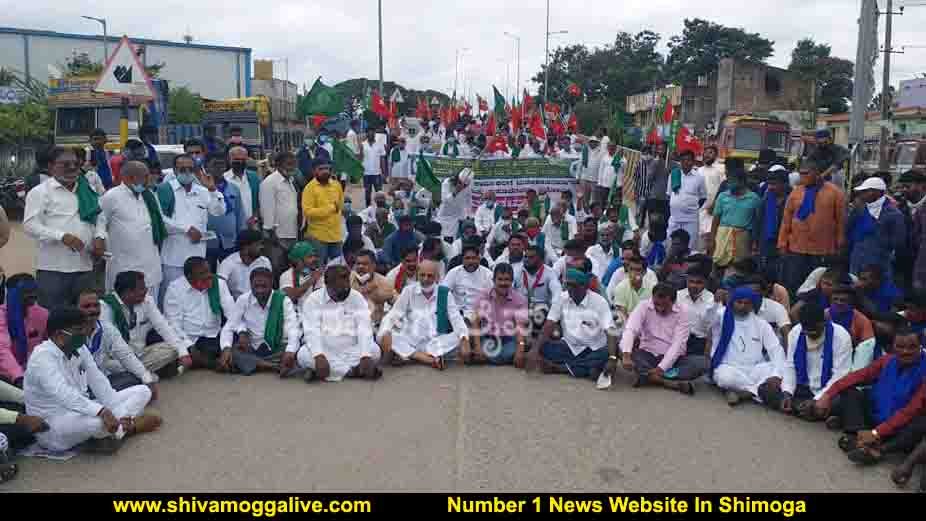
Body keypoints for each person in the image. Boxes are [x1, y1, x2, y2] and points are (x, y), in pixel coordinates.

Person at [24, 307, 160, 453]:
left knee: (142, 391)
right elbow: (64, 395)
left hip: (82, 409)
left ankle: (119, 430)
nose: (84, 333)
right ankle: (128, 429)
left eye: (84, 328)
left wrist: (122, 414)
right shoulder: (42, 357)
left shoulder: (79, 348)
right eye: (79, 329)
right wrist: (102, 411)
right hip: (54, 424)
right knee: (98, 423)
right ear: (59, 335)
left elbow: (99, 382)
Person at [810, 327, 926, 467]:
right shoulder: (887, 360)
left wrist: (876, 432)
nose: (905, 351)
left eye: (912, 347)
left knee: (921, 423)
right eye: (900, 346)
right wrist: (827, 395)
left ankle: (879, 449)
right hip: (874, 418)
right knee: (850, 391)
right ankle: (859, 436)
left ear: (921, 346)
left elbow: (911, 410)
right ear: (893, 347)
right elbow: (858, 376)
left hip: (900, 427)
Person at [23, 146, 105, 309]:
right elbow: (30, 225)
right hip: (53, 269)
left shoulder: (87, 189)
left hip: (84, 266)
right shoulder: (40, 192)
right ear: (51, 167)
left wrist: (100, 237)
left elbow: (99, 217)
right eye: (65, 164)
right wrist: (62, 236)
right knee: (54, 319)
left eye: (75, 163)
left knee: (83, 318)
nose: (72, 167)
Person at [286, 265, 382, 382]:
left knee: (375, 351)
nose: (345, 291)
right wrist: (318, 355)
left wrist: (365, 355)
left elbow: (364, 328)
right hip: (326, 351)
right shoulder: (313, 300)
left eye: (347, 287)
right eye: (339, 289)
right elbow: (311, 331)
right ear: (327, 285)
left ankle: (327, 371)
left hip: (352, 349)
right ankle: (352, 371)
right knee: (303, 355)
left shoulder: (356, 297)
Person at [763, 303, 854, 419]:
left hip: (827, 391)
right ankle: (809, 410)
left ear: (824, 322)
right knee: (765, 389)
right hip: (803, 387)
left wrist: (817, 399)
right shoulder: (796, 333)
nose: (810, 333)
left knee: (846, 398)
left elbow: (840, 374)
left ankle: (807, 409)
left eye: (815, 329)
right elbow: (791, 366)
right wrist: (787, 393)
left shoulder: (841, 336)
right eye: (807, 330)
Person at [157, 153, 226, 301]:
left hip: (197, 256)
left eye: (190, 169)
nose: (187, 173)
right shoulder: (165, 190)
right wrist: (186, 229)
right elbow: (160, 219)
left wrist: (213, 190)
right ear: (174, 171)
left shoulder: (202, 191)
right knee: (171, 297)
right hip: (173, 258)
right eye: (182, 169)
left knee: (197, 296)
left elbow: (218, 211)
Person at [379, 260, 470, 369]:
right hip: (411, 340)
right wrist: (386, 331)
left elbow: (456, 319)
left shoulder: (444, 293)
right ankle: (427, 359)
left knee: (461, 335)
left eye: (430, 276)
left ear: (437, 277)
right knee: (384, 334)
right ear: (418, 275)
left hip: (436, 342)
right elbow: (394, 314)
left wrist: (464, 338)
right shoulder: (409, 291)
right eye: (422, 275)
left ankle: (410, 356)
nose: (425, 279)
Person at [527, 268, 614, 379]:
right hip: (568, 347)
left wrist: (612, 358)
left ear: (584, 286)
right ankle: (586, 368)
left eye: (573, 286)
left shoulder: (599, 302)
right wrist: (535, 350)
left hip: (592, 348)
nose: (569, 289)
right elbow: (549, 325)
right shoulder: (562, 298)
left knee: (605, 355)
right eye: (567, 285)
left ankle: (561, 368)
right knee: (541, 345)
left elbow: (610, 331)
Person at [617, 282, 703, 394]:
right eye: (656, 304)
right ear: (652, 298)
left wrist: (661, 369)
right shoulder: (643, 306)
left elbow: (678, 345)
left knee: (701, 363)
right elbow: (631, 330)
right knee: (621, 346)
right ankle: (668, 382)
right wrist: (626, 356)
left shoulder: (684, 311)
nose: (660, 309)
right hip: (646, 355)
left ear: (673, 302)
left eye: (665, 306)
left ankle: (647, 376)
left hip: (673, 360)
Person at [99, 160, 167, 301]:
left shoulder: (149, 196)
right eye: (146, 176)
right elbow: (99, 224)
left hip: (151, 267)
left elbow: (163, 221)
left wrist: (186, 229)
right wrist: (100, 243)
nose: (149, 180)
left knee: (149, 313)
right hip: (124, 269)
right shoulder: (112, 196)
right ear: (130, 178)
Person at [708, 286, 787, 406]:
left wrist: (776, 375)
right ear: (733, 302)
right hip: (730, 367)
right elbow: (708, 319)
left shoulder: (761, 324)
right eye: (739, 302)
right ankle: (755, 391)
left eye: (747, 303)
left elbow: (775, 350)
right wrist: (715, 302)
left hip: (755, 369)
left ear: (752, 305)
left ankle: (741, 392)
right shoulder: (722, 316)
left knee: (778, 371)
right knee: (724, 377)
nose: (742, 306)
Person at [101, 271, 188, 379]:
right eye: (142, 288)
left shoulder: (146, 300)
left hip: (140, 355)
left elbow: (162, 326)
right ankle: (139, 374)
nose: (146, 290)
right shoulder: (106, 307)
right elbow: (110, 346)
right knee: (110, 365)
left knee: (177, 348)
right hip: (116, 360)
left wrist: (183, 353)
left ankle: (135, 375)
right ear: (128, 292)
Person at [777, 161, 847, 294]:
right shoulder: (796, 192)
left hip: (823, 249)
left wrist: (840, 243)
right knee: (794, 282)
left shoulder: (835, 193)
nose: (802, 177)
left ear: (816, 173)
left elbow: (841, 221)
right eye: (801, 174)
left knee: (818, 284)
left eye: (806, 174)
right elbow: (786, 220)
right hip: (797, 247)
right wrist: (782, 243)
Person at [218, 267, 300, 376]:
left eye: (264, 286)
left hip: (278, 348)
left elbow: (293, 328)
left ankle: (262, 364)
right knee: (233, 353)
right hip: (252, 348)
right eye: (256, 286)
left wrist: (290, 352)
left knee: (298, 350)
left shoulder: (283, 300)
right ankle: (274, 366)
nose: (259, 290)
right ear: (250, 285)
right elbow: (229, 326)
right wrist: (226, 348)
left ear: (271, 284)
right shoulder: (243, 299)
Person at [76, 288, 158, 392]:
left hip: (101, 381)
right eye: (86, 306)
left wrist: (147, 379)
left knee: (138, 378)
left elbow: (126, 355)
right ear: (76, 308)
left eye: (96, 305)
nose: (93, 310)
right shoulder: (69, 333)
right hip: (76, 386)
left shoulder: (107, 329)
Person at [163, 257, 234, 371]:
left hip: (214, 336)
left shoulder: (218, 284)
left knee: (240, 339)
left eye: (208, 271)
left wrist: (226, 345)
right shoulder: (175, 289)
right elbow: (173, 324)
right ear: (189, 277)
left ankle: (212, 361)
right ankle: (214, 363)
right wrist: (188, 345)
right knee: (168, 346)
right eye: (202, 273)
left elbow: (232, 315)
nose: (208, 275)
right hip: (190, 339)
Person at [470, 263, 530, 366]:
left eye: (506, 279)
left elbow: (520, 329)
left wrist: (520, 350)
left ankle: (490, 358)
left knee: (514, 350)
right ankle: (492, 357)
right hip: (488, 338)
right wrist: (478, 347)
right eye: (500, 279)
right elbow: (475, 323)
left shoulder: (520, 299)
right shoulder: (484, 296)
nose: (503, 283)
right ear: (493, 280)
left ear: (512, 281)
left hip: (509, 340)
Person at [848, 176, 906, 279]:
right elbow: (849, 231)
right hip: (857, 261)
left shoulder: (894, 214)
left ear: (877, 192)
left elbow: (898, 242)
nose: (861, 194)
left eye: (865, 191)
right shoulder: (859, 210)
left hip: (880, 263)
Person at [0, 275, 48, 387]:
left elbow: (53, 343)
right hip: (6, 376)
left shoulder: (42, 314)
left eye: (34, 290)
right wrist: (19, 377)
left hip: (33, 374)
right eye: (26, 291)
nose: (33, 295)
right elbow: (2, 350)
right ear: (11, 293)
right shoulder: (1, 315)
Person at [708, 167, 760, 271]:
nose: (729, 184)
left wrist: (755, 243)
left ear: (742, 182)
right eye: (728, 181)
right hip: (722, 237)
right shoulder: (722, 196)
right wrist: (712, 239)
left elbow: (757, 222)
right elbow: (716, 219)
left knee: (738, 268)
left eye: (732, 181)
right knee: (716, 267)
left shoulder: (754, 199)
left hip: (743, 238)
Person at [261, 151, 301, 277]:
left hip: (291, 233)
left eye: (294, 164)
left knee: (288, 271)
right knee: (277, 269)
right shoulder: (270, 182)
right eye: (288, 164)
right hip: (277, 236)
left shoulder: (291, 181)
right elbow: (266, 209)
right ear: (278, 165)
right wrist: (271, 233)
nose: (292, 167)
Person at [302, 157, 345, 265]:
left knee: (338, 269)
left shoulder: (336, 185)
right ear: (314, 171)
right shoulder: (309, 188)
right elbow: (308, 212)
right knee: (319, 269)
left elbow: (340, 205)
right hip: (318, 238)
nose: (325, 171)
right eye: (321, 169)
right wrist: (330, 209)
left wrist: (335, 208)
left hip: (336, 236)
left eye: (327, 168)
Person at [205, 152, 245, 268]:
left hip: (230, 242)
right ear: (207, 166)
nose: (219, 168)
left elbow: (239, 215)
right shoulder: (201, 189)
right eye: (215, 164)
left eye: (221, 164)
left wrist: (240, 240)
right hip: (208, 244)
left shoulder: (233, 188)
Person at [753, 167, 791, 281]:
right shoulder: (765, 199)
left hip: (786, 244)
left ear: (784, 184)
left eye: (774, 184)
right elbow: (758, 221)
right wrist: (755, 242)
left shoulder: (792, 200)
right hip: (766, 243)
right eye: (769, 184)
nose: (771, 187)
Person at [666, 150, 706, 252]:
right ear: (680, 161)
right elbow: (669, 195)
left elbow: (703, 197)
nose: (686, 162)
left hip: (691, 219)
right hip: (674, 218)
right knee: (670, 245)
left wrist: (691, 208)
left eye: (689, 160)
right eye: (683, 160)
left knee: (690, 247)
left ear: (693, 161)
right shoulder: (674, 174)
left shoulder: (699, 177)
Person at [217, 230, 273, 300]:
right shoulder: (228, 263)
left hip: (260, 302)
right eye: (258, 244)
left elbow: (269, 286)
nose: (262, 247)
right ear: (246, 247)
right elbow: (219, 286)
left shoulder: (265, 262)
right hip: (236, 304)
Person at [442, 244, 494, 319]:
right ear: (462, 260)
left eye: (474, 258)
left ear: (479, 259)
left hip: (481, 315)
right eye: (467, 258)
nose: (471, 261)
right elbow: (443, 293)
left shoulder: (488, 274)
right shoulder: (454, 272)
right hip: (458, 315)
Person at [350, 250, 395, 330]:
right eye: (358, 264)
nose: (360, 267)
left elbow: (399, 303)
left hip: (375, 328)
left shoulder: (384, 282)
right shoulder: (347, 280)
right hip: (351, 327)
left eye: (365, 264)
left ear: (374, 266)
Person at [677, 267, 716, 359]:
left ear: (705, 283)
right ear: (686, 281)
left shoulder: (712, 300)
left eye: (698, 282)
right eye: (691, 281)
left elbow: (713, 328)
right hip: (677, 339)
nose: (694, 285)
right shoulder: (677, 296)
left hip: (700, 342)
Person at [224, 146, 261, 230]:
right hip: (232, 226)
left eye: (243, 160)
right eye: (236, 159)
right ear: (230, 160)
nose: (240, 162)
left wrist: (254, 218)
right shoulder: (224, 179)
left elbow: (260, 201)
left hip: (252, 225)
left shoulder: (254, 178)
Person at [279, 241, 325, 308]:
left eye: (314, 256)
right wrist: (312, 279)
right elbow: (291, 296)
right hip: (293, 315)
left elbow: (320, 299)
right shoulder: (286, 275)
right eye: (310, 257)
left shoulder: (318, 274)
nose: (314, 259)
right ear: (298, 261)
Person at [698, 145, 726, 247]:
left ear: (715, 155)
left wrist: (715, 204)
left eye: (710, 153)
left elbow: (724, 188)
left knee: (712, 236)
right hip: (701, 209)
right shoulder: (699, 170)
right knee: (701, 237)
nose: (707, 155)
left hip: (715, 209)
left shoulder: (721, 169)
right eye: (706, 152)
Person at [437, 169, 474, 242]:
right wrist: (455, 192)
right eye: (461, 183)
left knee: (454, 240)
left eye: (465, 185)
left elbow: (468, 202)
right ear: (457, 179)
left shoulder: (468, 186)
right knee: (443, 239)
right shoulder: (447, 183)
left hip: (457, 217)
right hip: (444, 216)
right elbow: (444, 200)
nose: (463, 186)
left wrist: (469, 215)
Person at [361, 129, 387, 207]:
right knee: (367, 193)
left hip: (377, 173)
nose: (371, 135)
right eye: (369, 134)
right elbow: (359, 158)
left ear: (375, 135)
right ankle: (368, 209)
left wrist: (384, 172)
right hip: (366, 173)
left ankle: (380, 209)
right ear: (367, 135)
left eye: (373, 134)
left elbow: (382, 159)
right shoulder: (362, 144)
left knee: (379, 194)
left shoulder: (380, 144)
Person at [579, 137, 605, 206]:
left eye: (594, 142)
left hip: (595, 180)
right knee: (585, 198)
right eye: (591, 142)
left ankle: (592, 213)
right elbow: (580, 163)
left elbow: (603, 166)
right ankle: (585, 213)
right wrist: (578, 176)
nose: (592, 143)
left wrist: (601, 181)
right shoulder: (585, 151)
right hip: (585, 178)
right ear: (589, 143)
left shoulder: (602, 152)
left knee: (594, 199)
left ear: (597, 143)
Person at [597, 142, 624, 207]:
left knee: (616, 204)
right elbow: (601, 170)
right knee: (603, 203)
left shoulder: (620, 157)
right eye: (610, 147)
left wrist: (620, 158)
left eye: (613, 147)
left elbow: (624, 165)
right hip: (605, 184)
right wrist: (599, 182)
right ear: (607, 148)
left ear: (615, 148)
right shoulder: (604, 157)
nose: (611, 148)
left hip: (616, 185)